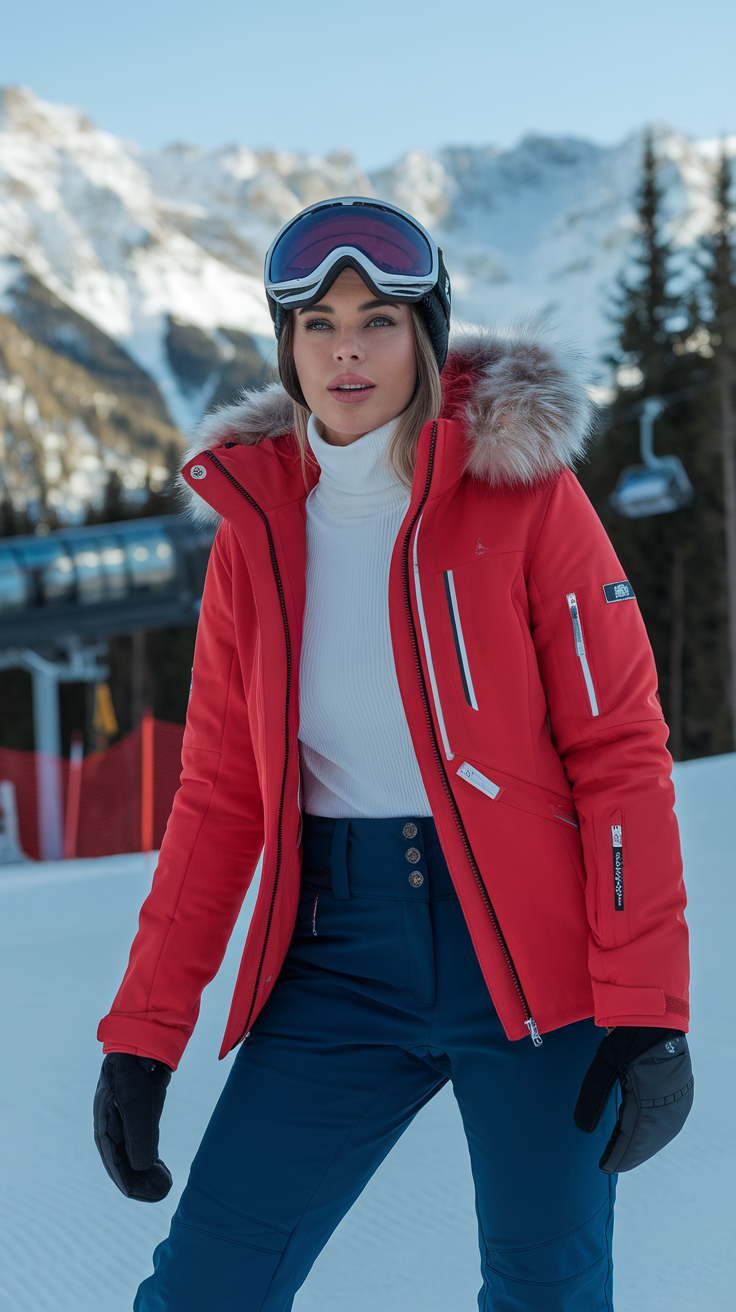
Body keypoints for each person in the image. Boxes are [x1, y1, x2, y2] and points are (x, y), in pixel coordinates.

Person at [94, 197, 693, 1311]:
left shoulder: (525, 498)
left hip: (528, 966)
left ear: (426, 333)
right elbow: (220, 796)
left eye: (377, 318)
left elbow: (618, 754)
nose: (346, 349)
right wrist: (145, 1030)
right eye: (317, 323)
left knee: (544, 1292)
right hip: (337, 960)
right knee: (205, 1288)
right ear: (286, 345)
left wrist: (647, 1003)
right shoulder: (258, 530)